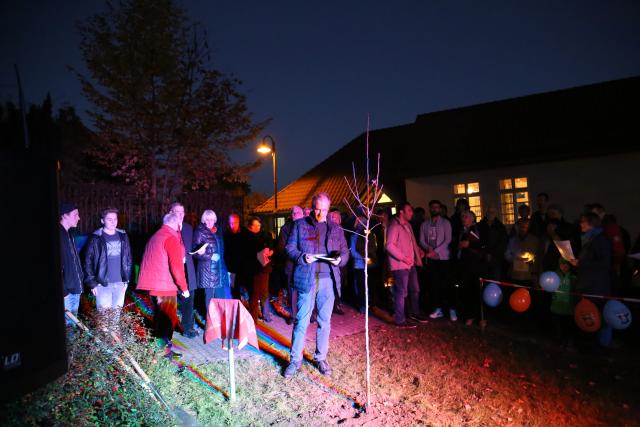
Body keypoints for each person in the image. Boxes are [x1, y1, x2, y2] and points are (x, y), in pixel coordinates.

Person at [284, 192, 349, 378]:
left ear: (329, 209)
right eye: (318, 209)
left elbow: (345, 252)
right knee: (301, 320)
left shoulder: (336, 228)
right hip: (307, 279)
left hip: (328, 279)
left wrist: (340, 261)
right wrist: (302, 257)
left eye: (325, 209)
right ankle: (295, 360)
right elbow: (289, 248)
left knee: (324, 322)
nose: (321, 213)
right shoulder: (299, 225)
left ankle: (321, 357)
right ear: (312, 208)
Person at [136, 213, 190, 358]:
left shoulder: (156, 236)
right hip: (165, 288)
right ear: (178, 225)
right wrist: (184, 288)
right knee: (167, 322)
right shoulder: (171, 238)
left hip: (154, 287)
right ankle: (164, 356)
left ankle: (165, 351)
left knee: (160, 321)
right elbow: (177, 268)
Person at [82, 207, 132, 327]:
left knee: (115, 319)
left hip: (120, 283)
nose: (113, 222)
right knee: (104, 320)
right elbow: (87, 261)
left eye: (115, 219)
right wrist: (92, 282)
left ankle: (113, 344)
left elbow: (128, 258)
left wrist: (127, 280)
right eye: (109, 219)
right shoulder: (96, 238)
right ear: (102, 221)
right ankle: (104, 344)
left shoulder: (123, 236)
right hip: (102, 284)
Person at [569, 212, 613, 348]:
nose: (580, 224)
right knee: (588, 316)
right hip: (588, 284)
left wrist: (580, 263)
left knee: (593, 316)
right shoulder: (590, 239)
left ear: (591, 223)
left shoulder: (600, 240)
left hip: (595, 286)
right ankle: (589, 345)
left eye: (583, 222)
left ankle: (595, 347)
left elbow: (604, 263)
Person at [386, 201, 428, 327]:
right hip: (400, 266)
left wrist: (418, 251)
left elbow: (411, 242)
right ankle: (400, 319)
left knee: (415, 289)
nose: (412, 213)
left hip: (410, 264)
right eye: (409, 210)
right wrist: (403, 258)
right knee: (401, 292)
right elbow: (389, 246)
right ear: (401, 212)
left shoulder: (407, 225)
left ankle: (414, 313)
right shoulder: (394, 226)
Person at [193, 210, 231, 320]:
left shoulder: (218, 232)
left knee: (221, 298)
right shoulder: (199, 232)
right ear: (203, 220)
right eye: (207, 219)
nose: (210, 221)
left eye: (212, 219)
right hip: (207, 271)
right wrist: (210, 256)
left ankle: (221, 322)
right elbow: (195, 252)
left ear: (215, 220)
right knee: (209, 298)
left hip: (219, 270)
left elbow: (222, 252)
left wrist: (225, 269)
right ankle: (210, 323)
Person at [419, 200, 454, 321]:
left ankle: (451, 309)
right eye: (432, 207)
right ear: (429, 209)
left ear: (440, 209)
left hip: (443, 258)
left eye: (437, 207)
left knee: (446, 284)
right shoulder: (425, 224)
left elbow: (448, 240)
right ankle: (438, 309)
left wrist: (436, 251)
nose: (434, 209)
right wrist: (429, 249)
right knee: (434, 284)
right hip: (431, 258)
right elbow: (421, 240)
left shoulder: (446, 223)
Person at [169, 202, 198, 338]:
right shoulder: (167, 228)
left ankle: (188, 328)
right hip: (172, 271)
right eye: (177, 212)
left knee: (189, 301)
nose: (180, 215)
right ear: (171, 213)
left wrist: (199, 251)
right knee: (171, 301)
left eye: (182, 212)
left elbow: (192, 247)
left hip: (188, 269)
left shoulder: (188, 228)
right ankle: (169, 329)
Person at [453, 210, 486, 326]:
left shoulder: (476, 230)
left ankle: (475, 316)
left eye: (466, 217)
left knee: (474, 291)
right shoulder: (462, 231)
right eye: (462, 216)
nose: (463, 218)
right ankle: (468, 314)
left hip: (474, 266)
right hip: (464, 265)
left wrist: (469, 244)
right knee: (465, 291)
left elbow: (481, 245)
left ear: (472, 219)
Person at [277, 206, 304, 324]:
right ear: (291, 215)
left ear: (302, 214)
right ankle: (293, 316)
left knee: (304, 291)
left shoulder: (307, 227)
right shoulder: (285, 229)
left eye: (298, 212)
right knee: (292, 292)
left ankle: (306, 315)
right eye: (294, 213)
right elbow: (281, 248)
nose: (296, 214)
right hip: (291, 265)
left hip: (304, 265)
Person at [246, 216, 274, 322]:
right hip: (252, 270)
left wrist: (271, 252)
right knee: (253, 294)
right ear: (250, 226)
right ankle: (253, 318)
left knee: (264, 292)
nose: (257, 227)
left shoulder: (265, 235)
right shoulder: (247, 237)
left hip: (264, 268)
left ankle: (266, 314)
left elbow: (272, 246)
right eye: (255, 225)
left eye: (259, 225)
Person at [60, 202, 84, 326]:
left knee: (72, 327)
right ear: (64, 215)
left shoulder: (69, 234)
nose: (79, 218)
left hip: (74, 289)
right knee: (67, 329)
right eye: (75, 215)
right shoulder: (59, 236)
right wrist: (64, 292)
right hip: (66, 293)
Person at [350, 209, 378, 313]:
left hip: (369, 265)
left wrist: (367, 256)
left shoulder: (369, 234)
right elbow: (352, 251)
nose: (362, 224)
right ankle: (363, 305)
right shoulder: (354, 235)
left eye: (364, 222)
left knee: (369, 286)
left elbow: (373, 247)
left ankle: (370, 304)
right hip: (359, 265)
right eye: (360, 222)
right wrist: (363, 257)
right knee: (361, 286)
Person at [223, 212, 248, 300]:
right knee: (234, 290)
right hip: (231, 269)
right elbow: (224, 252)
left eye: (234, 223)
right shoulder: (226, 235)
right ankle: (237, 307)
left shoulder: (245, 233)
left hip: (244, 268)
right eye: (231, 223)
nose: (232, 225)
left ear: (238, 222)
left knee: (246, 290)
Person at [329, 208, 346, 315]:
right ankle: (333, 305)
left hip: (339, 261)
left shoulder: (340, 230)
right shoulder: (328, 228)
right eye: (333, 217)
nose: (335, 219)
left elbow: (342, 246)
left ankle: (337, 304)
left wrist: (342, 258)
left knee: (338, 283)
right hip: (331, 260)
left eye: (337, 218)